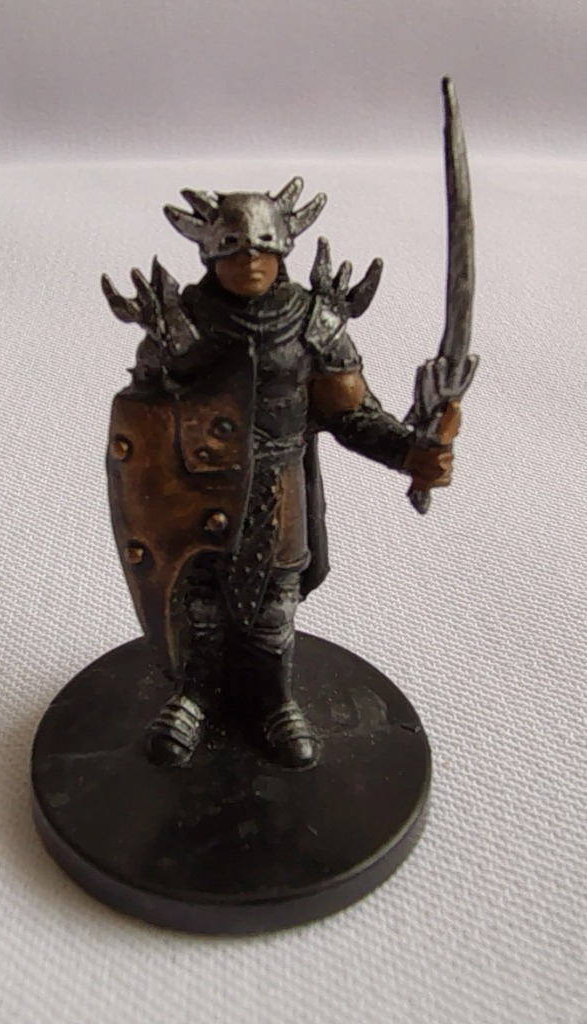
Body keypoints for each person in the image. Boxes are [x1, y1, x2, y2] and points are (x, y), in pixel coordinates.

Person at [103, 179, 458, 770]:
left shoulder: (313, 325)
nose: (249, 260)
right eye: (234, 247)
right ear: (209, 252)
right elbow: (144, 411)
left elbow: (351, 413)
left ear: (284, 248)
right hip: (197, 487)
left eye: (262, 247)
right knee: (201, 601)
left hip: (279, 485)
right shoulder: (182, 328)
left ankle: (274, 701)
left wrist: (409, 452)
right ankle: (194, 696)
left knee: (273, 608)